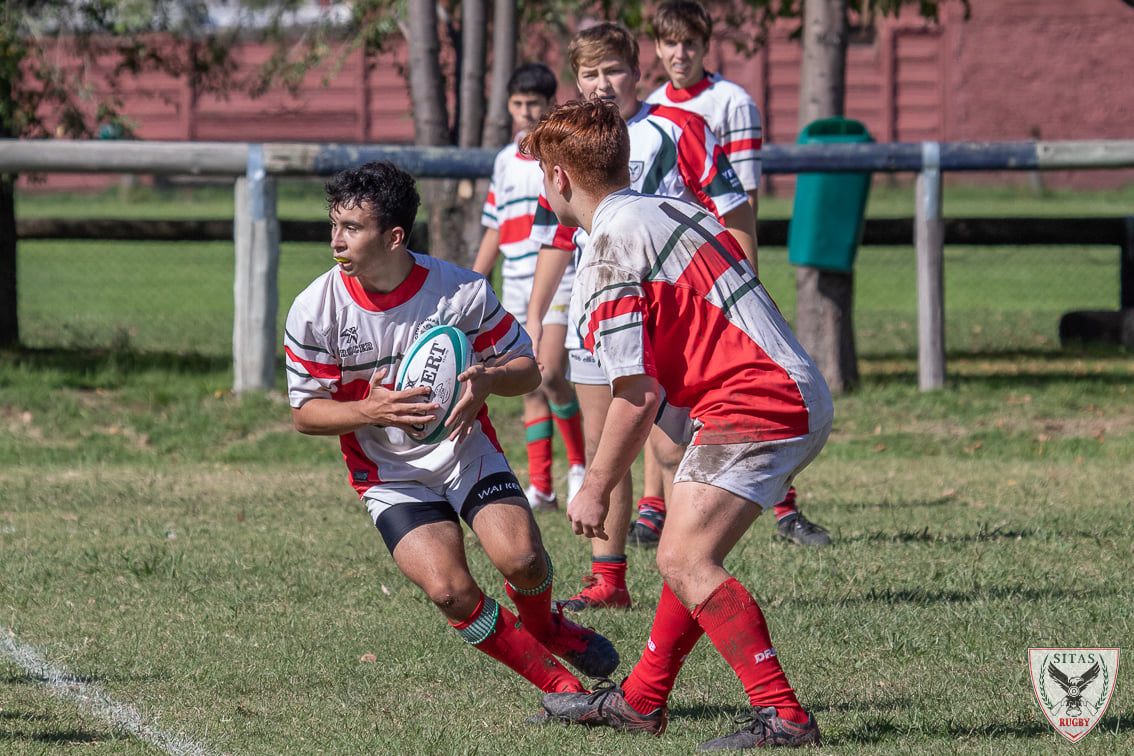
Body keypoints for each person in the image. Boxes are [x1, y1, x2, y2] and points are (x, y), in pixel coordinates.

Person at [524, 99, 830, 750]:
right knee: (686, 556)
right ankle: (641, 701)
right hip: (774, 384)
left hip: (760, 396)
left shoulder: (606, 249)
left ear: (558, 179)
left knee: (685, 556)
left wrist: (595, 486)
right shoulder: (667, 206)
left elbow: (636, 394)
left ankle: (785, 715)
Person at [284, 160, 619, 697]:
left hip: (466, 452)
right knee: (449, 591)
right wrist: (374, 411)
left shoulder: (458, 291)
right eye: (333, 225)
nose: (336, 240)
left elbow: (528, 368)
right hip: (390, 475)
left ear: (394, 236)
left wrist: (486, 380)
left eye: (351, 228)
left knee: (525, 561)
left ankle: (546, 625)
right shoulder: (314, 309)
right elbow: (305, 413)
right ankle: (563, 690)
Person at [525, 21, 755, 612]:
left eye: (613, 70)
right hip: (601, 304)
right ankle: (609, 579)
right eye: (589, 73)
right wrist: (535, 315)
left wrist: (743, 281)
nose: (602, 84)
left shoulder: (678, 128)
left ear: (637, 69)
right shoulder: (571, 140)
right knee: (606, 444)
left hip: (669, 307)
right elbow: (555, 240)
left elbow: (732, 209)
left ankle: (686, 567)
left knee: (671, 445)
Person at [631, 0, 832, 549]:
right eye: (669, 42)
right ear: (656, 46)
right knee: (663, 382)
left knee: (745, 378)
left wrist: (746, 275)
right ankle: (654, 504)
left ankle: (782, 503)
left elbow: (740, 199)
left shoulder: (732, 104)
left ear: (705, 44)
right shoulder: (645, 109)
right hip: (667, 270)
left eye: (689, 42)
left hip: (717, 265)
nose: (679, 53)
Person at [473, 62, 587, 512]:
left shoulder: (559, 152)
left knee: (551, 372)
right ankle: (541, 486)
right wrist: (476, 280)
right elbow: (494, 227)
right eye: (517, 104)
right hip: (516, 285)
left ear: (549, 103)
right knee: (526, 382)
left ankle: (579, 464)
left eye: (533, 104)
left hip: (558, 278)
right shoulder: (503, 161)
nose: (524, 112)